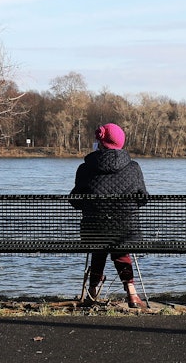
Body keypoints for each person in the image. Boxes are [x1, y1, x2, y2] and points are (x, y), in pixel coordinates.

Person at [70, 122, 148, 308]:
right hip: (125, 231)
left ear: (100, 143)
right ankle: (132, 294)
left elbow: (75, 201)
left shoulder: (85, 168)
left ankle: (93, 292)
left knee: (99, 243)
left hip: (93, 231)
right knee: (120, 245)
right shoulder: (133, 167)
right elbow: (143, 198)